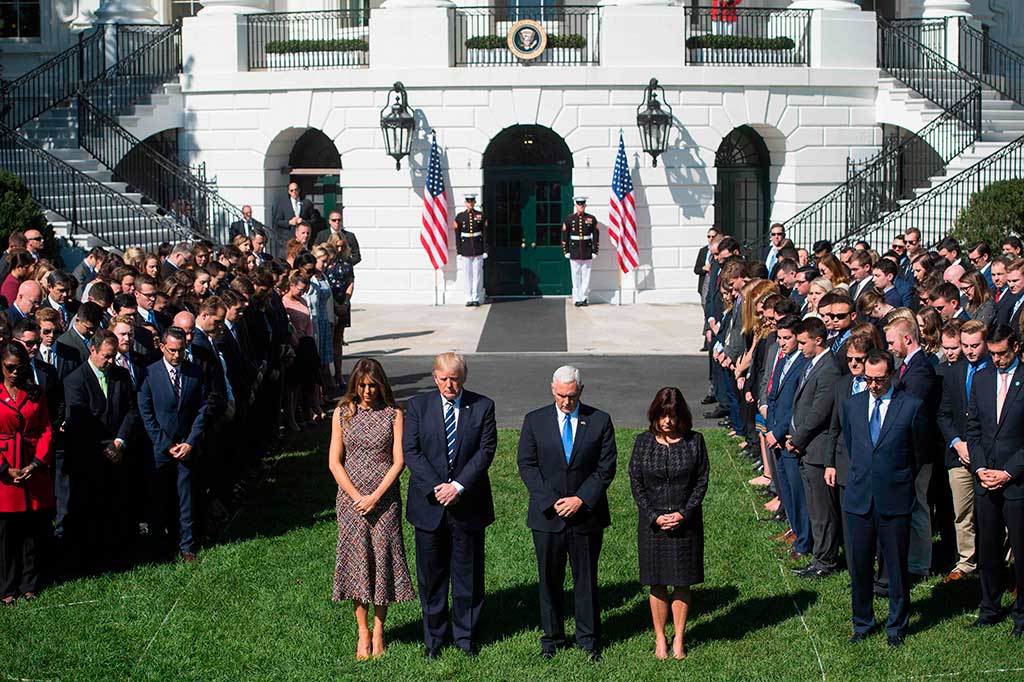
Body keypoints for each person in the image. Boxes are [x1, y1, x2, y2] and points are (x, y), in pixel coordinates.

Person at [517, 365, 616, 661]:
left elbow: (605, 467)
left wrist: (581, 500)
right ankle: (552, 638)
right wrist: (552, 501)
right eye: (561, 395)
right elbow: (527, 465)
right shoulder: (535, 421)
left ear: (581, 392)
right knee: (549, 579)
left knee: (585, 579)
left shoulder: (599, 421)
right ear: (552, 389)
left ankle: (588, 639)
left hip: (585, 516)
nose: (566, 402)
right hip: (548, 516)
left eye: (571, 396)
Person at [402, 353, 497, 658]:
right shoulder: (418, 406)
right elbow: (411, 451)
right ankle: (433, 639)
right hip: (429, 505)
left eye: (454, 378)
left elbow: (485, 451)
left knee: (468, 575)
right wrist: (437, 487)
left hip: (467, 504)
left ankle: (466, 638)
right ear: (435, 377)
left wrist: (457, 486)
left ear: (464, 377)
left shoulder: (482, 406)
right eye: (443, 378)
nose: (449, 384)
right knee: (431, 577)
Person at [329, 358, 415, 660]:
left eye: (373, 386)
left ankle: (379, 631)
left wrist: (376, 496)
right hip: (351, 502)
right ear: (355, 385)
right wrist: (356, 496)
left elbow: (399, 460)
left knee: (382, 562)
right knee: (357, 563)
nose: (368, 391)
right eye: (362, 386)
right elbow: (334, 461)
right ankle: (362, 631)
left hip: (385, 500)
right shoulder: (342, 413)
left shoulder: (393, 414)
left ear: (381, 385)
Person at [841, 349, 926, 647]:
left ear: (891, 374)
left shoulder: (911, 406)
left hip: (895, 498)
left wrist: (898, 479)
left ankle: (896, 626)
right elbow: (853, 445)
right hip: (860, 497)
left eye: (879, 379)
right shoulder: (852, 405)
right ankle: (862, 622)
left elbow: (918, 453)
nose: (874, 385)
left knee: (896, 567)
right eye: (868, 379)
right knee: (860, 564)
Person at [628, 387, 708, 661]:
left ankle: (679, 639)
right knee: (657, 582)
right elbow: (636, 482)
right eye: (663, 416)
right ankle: (660, 638)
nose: (668, 422)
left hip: (685, 523)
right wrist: (653, 515)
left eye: (673, 416)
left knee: (682, 582)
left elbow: (701, 482)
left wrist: (684, 513)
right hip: (653, 525)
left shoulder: (695, 442)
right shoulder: (643, 442)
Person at [964, 324, 1024, 635]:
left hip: (1016, 481)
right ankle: (989, 606)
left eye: (1003, 353)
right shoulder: (982, 378)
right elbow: (973, 429)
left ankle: (1022, 615)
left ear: (1015, 346)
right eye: (994, 353)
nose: (998, 359)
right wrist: (980, 468)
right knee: (987, 547)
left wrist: (1009, 472)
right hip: (985, 478)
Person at [62, 329, 137, 572]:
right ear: (92, 350)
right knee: (92, 509)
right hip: (90, 457)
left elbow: (131, 411)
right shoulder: (75, 380)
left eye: (113, 356)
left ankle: (117, 554)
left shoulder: (121, 376)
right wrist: (106, 447)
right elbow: (81, 422)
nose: (110, 361)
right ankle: (91, 559)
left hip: (117, 451)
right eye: (105, 356)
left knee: (117, 506)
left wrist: (119, 442)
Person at [138, 326, 211, 562]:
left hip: (187, 446)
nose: (176, 355)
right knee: (159, 497)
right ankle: (161, 544)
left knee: (186, 497)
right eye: (172, 351)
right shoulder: (149, 374)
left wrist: (190, 442)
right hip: (161, 448)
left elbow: (202, 409)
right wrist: (166, 444)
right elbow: (146, 413)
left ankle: (187, 545)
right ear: (161, 347)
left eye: (181, 350)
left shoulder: (195, 373)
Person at [0, 341, 54, 605]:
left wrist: (36, 463)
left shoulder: (35, 393)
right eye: (10, 368)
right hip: (5, 473)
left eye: (19, 368)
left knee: (31, 533)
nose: (14, 373)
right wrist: (4, 469)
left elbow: (46, 429)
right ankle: (6, 587)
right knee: (6, 535)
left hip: (32, 469)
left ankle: (29, 583)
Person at [788, 317, 842, 578]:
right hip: (807, 448)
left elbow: (819, 412)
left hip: (817, 449)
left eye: (803, 342)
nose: (800, 347)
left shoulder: (829, 369)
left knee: (823, 511)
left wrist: (796, 440)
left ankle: (826, 561)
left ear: (818, 340)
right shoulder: (813, 364)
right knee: (815, 508)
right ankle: (820, 557)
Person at [937, 320, 987, 584]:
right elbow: (944, 414)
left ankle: (999, 562)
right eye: (965, 346)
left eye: (974, 345)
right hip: (959, 454)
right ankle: (967, 561)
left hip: (989, 456)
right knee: (962, 511)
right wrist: (957, 442)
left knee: (993, 513)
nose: (969, 351)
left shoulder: (993, 371)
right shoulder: (953, 372)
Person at [561, 197, 599, 307]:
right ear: (575, 205)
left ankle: (584, 297)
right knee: (576, 275)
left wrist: (595, 250)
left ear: (585, 205)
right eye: (579, 204)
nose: (580, 206)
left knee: (586, 275)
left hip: (587, 250)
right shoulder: (569, 219)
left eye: (582, 205)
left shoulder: (591, 219)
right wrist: (566, 250)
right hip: (574, 250)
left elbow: (596, 235)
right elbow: (565, 235)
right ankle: (577, 298)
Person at [453, 194, 488, 307]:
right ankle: (468, 298)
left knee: (477, 274)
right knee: (467, 275)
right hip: (465, 249)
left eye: (472, 202)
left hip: (477, 248)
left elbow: (485, 234)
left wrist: (485, 250)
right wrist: (459, 251)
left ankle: (476, 297)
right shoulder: (460, 217)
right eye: (468, 202)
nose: (470, 204)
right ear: (465, 203)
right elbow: (457, 235)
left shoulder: (480, 215)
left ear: (474, 202)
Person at [272, 182, 316, 253]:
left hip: (303, 238)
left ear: (299, 190)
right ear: (289, 192)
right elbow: (277, 221)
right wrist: (289, 222)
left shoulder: (306, 203)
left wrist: (303, 221)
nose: (294, 192)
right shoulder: (282, 204)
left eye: (296, 190)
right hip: (288, 237)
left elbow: (314, 219)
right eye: (291, 190)